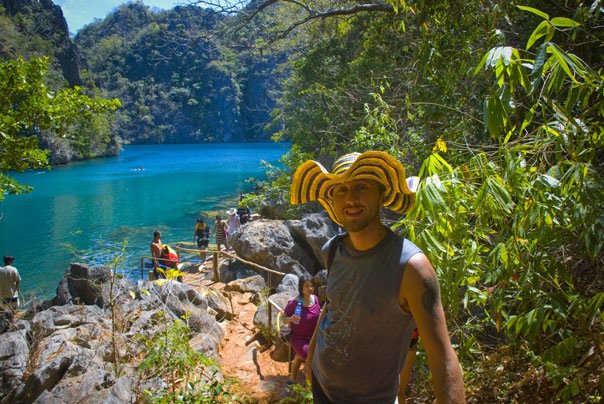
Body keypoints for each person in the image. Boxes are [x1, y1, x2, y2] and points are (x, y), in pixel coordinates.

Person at [290, 151, 465, 403]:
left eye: (361, 187)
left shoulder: (411, 267)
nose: (351, 198)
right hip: (322, 386)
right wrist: (312, 354)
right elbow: (333, 305)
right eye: (341, 190)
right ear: (333, 201)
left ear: (381, 194)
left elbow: (442, 357)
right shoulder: (333, 249)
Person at [282, 275, 321, 385]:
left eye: (312, 286)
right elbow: (283, 319)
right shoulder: (295, 303)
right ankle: (310, 383)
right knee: (310, 356)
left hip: (314, 336)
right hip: (298, 337)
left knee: (301, 355)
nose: (310, 289)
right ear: (301, 287)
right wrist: (290, 319)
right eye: (307, 286)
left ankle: (292, 378)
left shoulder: (315, 299)